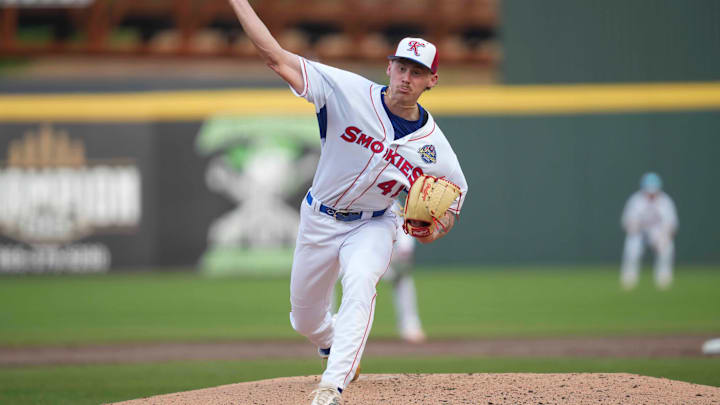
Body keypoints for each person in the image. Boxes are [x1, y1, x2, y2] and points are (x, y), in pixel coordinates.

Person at [228, 2, 468, 404]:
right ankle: (329, 341)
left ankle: (332, 384)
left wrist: (435, 229)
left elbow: (455, 199)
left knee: (360, 283)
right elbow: (274, 55)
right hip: (318, 218)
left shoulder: (435, 149)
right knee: (304, 318)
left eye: (418, 73)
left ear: (432, 81)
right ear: (389, 67)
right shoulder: (344, 90)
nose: (407, 78)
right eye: (402, 68)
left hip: (373, 225)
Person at [620, 172, 678, 290]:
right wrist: (633, 228)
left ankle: (663, 278)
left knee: (667, 247)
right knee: (632, 247)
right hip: (639, 232)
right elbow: (627, 221)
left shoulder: (665, 201)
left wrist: (665, 236)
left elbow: (671, 224)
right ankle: (629, 278)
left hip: (657, 233)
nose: (651, 195)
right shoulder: (635, 200)